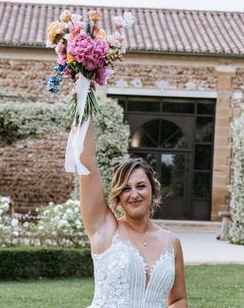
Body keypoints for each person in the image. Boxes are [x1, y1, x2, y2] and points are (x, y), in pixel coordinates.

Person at [80, 123, 188, 307]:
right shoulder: (105, 230)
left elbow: (179, 299)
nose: (134, 194)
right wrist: (84, 103)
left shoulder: (172, 242)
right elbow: (87, 161)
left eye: (141, 186)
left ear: (152, 191)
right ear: (118, 197)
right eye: (126, 189)